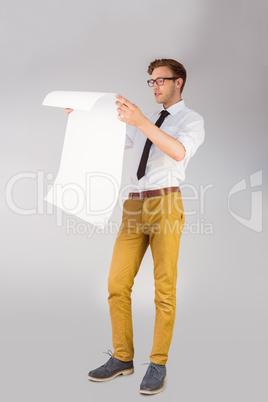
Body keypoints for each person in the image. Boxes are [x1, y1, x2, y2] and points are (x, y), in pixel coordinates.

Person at [65, 58, 205, 395]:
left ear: (179, 82)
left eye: (161, 80)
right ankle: (123, 358)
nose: (155, 86)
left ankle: (158, 364)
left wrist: (141, 121)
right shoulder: (147, 121)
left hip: (166, 204)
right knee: (116, 283)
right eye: (152, 81)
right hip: (133, 205)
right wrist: (82, 119)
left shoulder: (191, 120)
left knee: (164, 289)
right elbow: (112, 136)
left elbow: (177, 151)